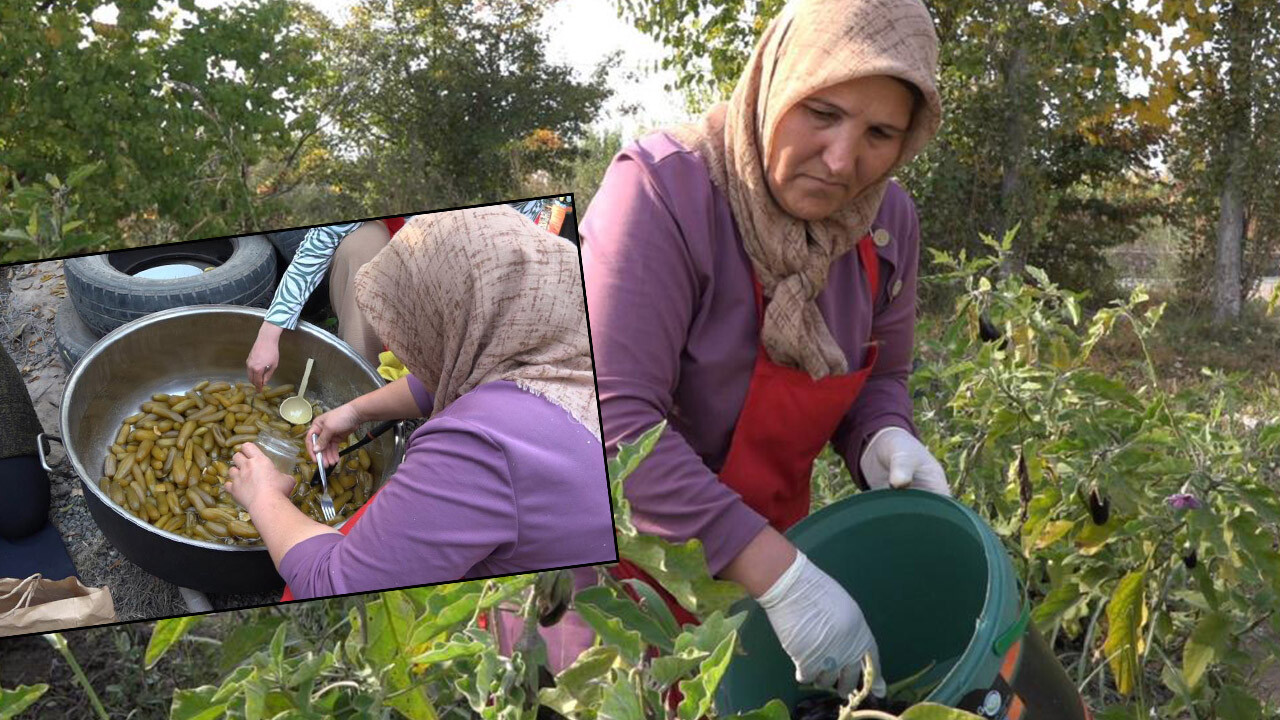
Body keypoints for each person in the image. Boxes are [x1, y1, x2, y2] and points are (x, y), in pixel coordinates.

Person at [579, 0, 948, 698]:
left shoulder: (885, 223)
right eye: (822, 113)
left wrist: (885, 437)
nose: (843, 161)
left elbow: (880, 378)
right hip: (618, 585)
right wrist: (782, 577)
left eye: (880, 133)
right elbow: (611, 425)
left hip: (763, 583)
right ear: (778, 81)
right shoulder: (663, 194)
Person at [224, 206, 613, 598]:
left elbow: (335, 583)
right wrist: (354, 411)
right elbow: (449, 380)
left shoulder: (478, 446)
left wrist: (263, 496)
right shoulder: (578, 357)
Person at [246, 217, 407, 390]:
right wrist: (269, 333)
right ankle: (367, 383)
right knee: (358, 247)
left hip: (430, 261)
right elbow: (318, 246)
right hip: (399, 238)